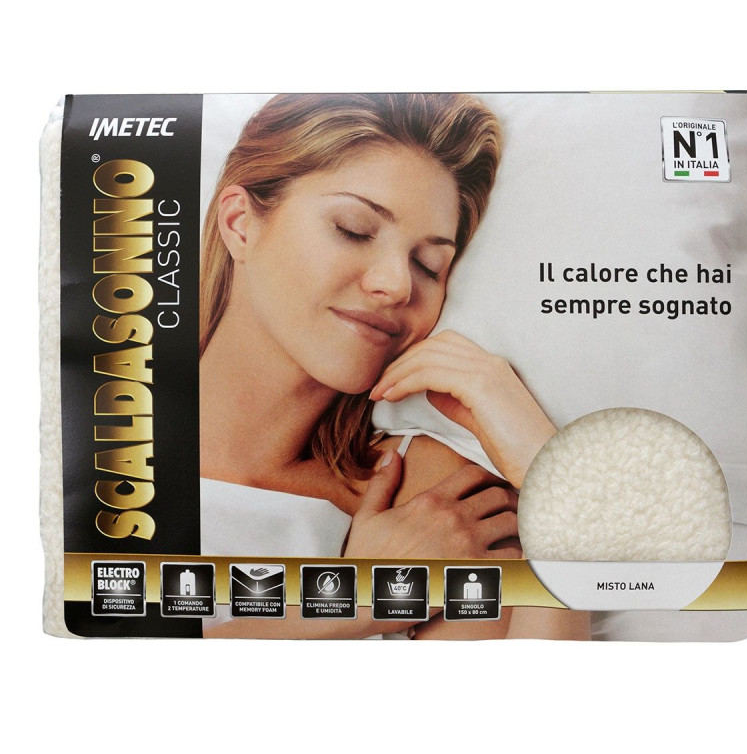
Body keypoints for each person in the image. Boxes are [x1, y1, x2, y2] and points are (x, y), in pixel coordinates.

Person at [199, 93, 588, 639]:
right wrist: (348, 600)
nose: (398, 284)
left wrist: (554, 480)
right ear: (240, 224)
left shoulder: (431, 500)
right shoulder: (101, 441)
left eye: (429, 265)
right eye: (354, 229)